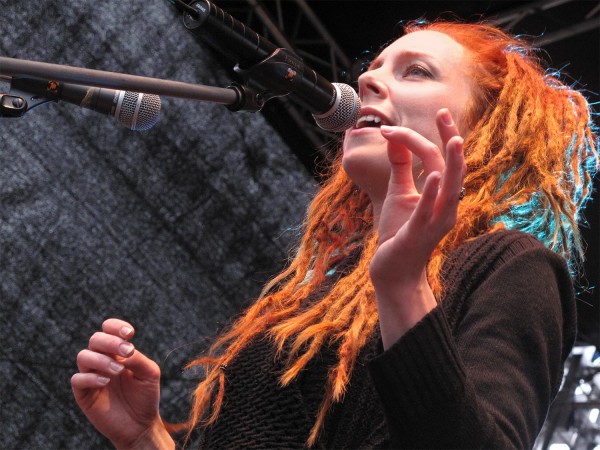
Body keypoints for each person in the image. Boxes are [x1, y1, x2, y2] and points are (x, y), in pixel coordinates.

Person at [71, 19, 598, 449]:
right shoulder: (324, 292)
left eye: (415, 72)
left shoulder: (511, 266)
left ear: (482, 128)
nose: (365, 81)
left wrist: (403, 290)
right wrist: (147, 438)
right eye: (371, 69)